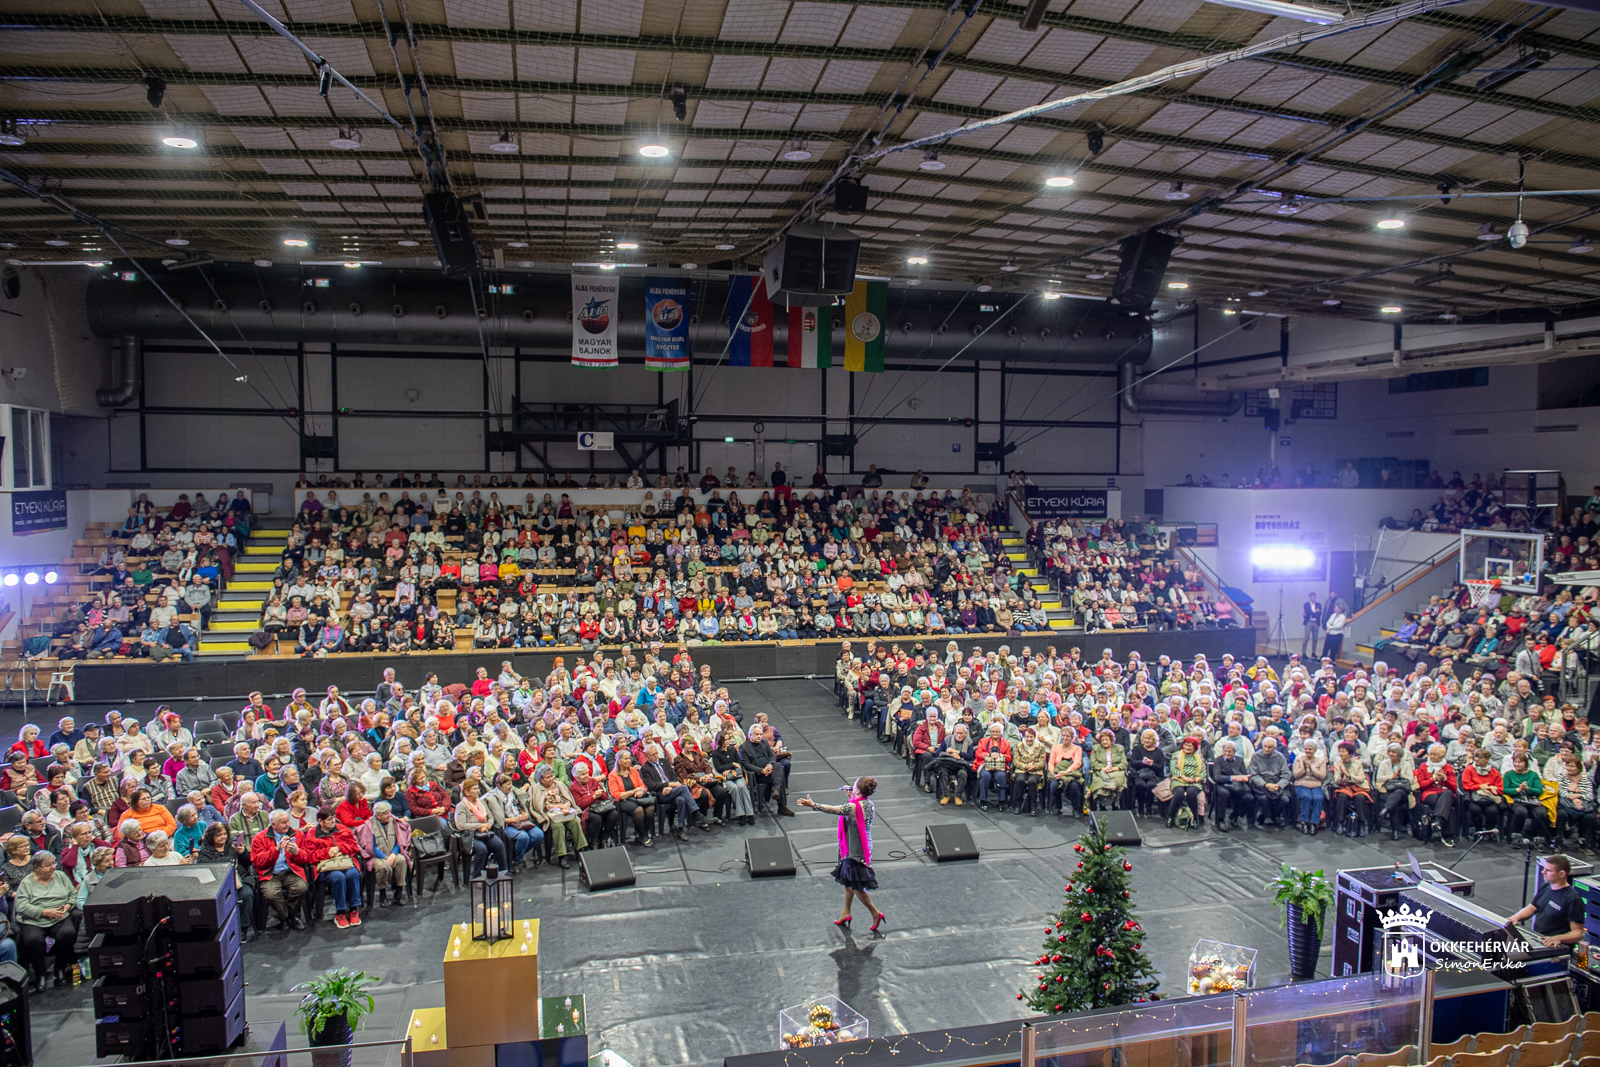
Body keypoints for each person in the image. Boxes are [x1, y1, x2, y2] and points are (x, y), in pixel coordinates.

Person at [799, 777, 885, 932]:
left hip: (855, 850)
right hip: (861, 845)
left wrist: (813, 805)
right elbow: (854, 809)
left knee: (855, 886)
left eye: (854, 786)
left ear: (858, 790)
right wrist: (851, 797)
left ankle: (875, 912)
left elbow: (835, 809)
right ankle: (846, 912)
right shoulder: (868, 804)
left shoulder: (853, 806)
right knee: (848, 881)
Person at [14, 852, 76, 990]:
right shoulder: (27, 882)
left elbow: (73, 894)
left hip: (59, 917)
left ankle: (59, 969)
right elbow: (21, 906)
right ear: (36, 867)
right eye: (48, 865)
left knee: (68, 933)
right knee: (32, 939)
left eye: (53, 864)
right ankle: (40, 974)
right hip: (34, 920)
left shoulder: (60, 876)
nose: (53, 868)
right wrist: (44, 912)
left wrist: (67, 906)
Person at [298, 806, 365, 928]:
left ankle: (354, 909)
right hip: (326, 867)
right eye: (329, 820)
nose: (333, 821)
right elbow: (310, 855)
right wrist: (328, 852)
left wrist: (339, 848)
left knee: (353, 874)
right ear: (320, 821)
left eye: (334, 818)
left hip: (344, 861)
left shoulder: (343, 829)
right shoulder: (312, 834)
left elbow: (354, 847)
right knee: (338, 877)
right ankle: (340, 912)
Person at [1505, 853, 1583, 948]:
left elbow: (1578, 933)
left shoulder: (1573, 899)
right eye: (1544, 868)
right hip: (1539, 939)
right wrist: (1515, 917)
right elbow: (1530, 909)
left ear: (1562, 874)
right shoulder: (1546, 887)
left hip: (1556, 947)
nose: (1543, 872)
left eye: (1548, 870)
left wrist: (1557, 938)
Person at [250, 809, 309, 931]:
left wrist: (297, 853)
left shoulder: (297, 834)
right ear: (273, 824)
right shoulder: (259, 838)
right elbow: (258, 862)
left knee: (301, 887)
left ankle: (288, 917)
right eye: (283, 822)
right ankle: (288, 917)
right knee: (272, 894)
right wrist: (276, 850)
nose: (287, 824)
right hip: (270, 874)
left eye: (287, 821)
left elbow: (306, 858)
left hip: (291, 871)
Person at [356, 801, 411, 906]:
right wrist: (385, 857)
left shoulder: (395, 822)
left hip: (393, 853)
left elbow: (400, 841)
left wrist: (394, 854)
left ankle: (399, 891)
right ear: (378, 815)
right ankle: (383, 892)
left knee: (401, 860)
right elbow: (370, 846)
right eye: (386, 813)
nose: (389, 815)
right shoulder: (369, 826)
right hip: (375, 856)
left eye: (389, 812)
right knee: (382, 866)